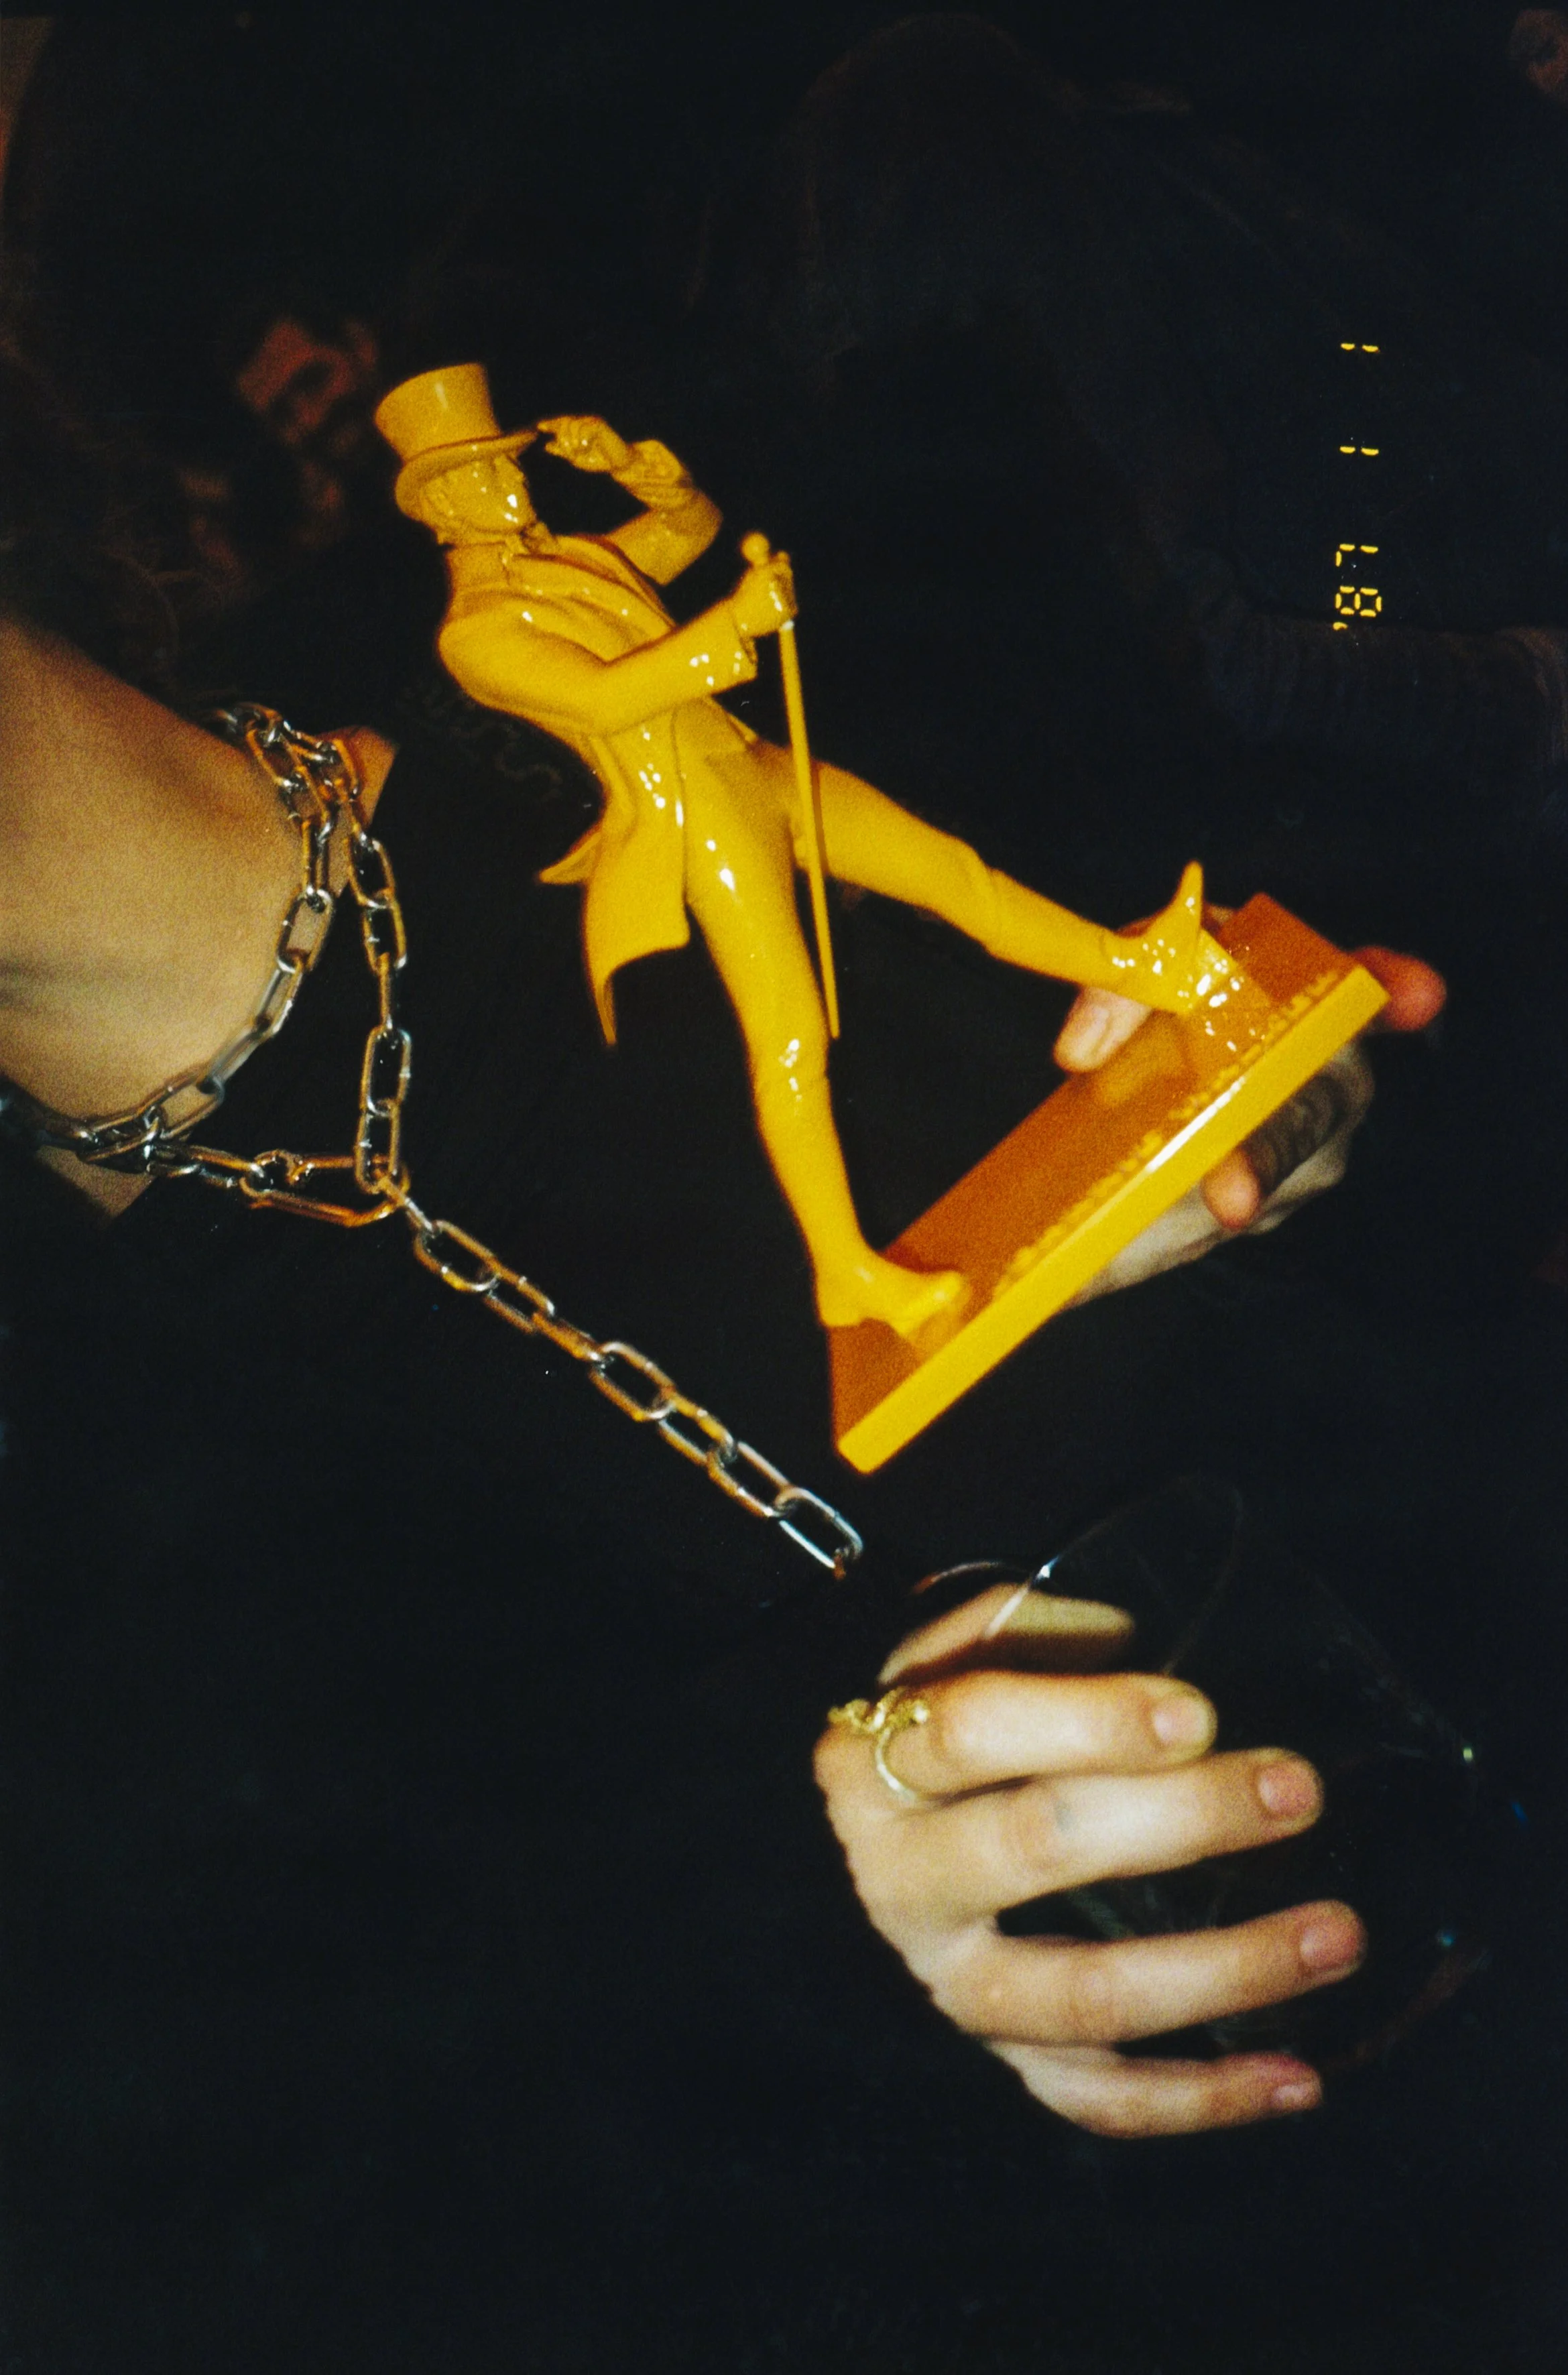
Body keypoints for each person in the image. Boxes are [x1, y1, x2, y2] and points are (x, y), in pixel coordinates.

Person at [4, 327, 1506, 2373]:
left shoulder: (768, 458)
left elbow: (1396, 901)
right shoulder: (76, 1481)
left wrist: (1298, 1098)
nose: (484, 497)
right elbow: (341, 2194)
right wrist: (815, 1942)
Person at [375, 362, 1238, 1339]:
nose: (508, 480)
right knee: (788, 1034)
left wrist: (631, 468)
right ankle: (844, 1269)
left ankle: (1136, 965)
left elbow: (688, 528)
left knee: (948, 871)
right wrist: (732, 625)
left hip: (753, 765)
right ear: (440, 504)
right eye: (481, 472)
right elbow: (605, 697)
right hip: (696, 819)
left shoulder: (573, 558)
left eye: (504, 461)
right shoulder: (476, 632)